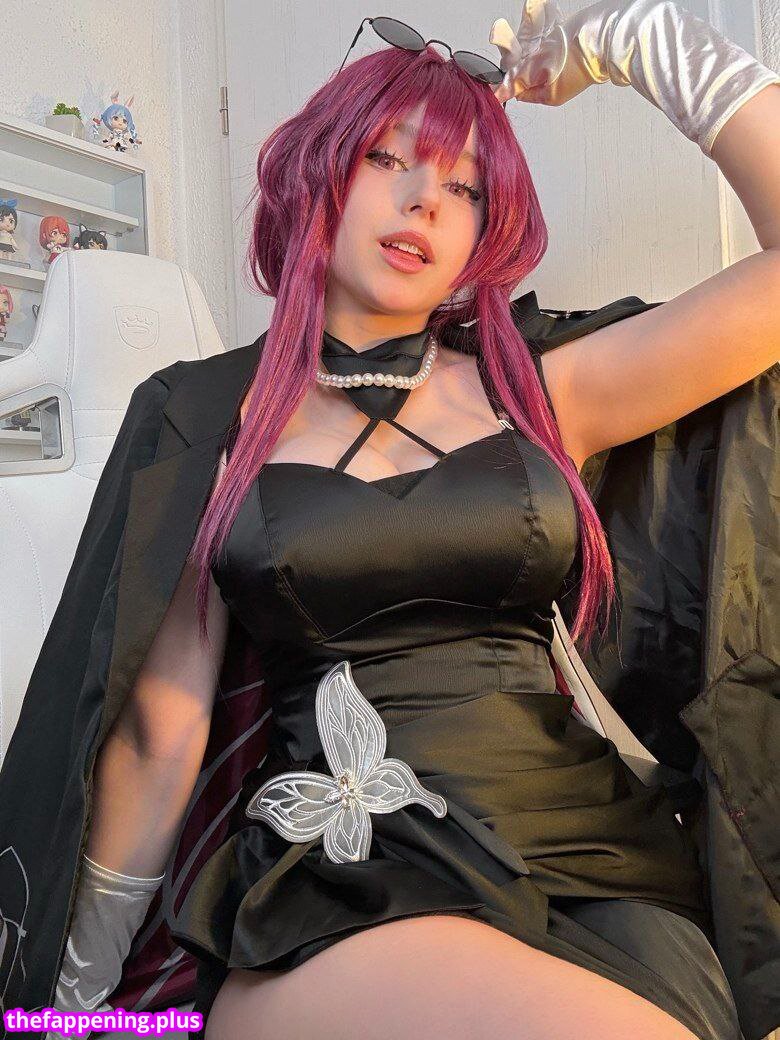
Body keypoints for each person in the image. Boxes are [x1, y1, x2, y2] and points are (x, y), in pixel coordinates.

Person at [1, 2, 777, 1039]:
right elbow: (159, 731)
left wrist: (635, 41)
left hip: (596, 851)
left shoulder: (540, 392)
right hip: (352, 866)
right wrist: (75, 998)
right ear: (316, 169)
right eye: (389, 158)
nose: (424, 201)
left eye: (464, 185)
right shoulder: (207, 418)